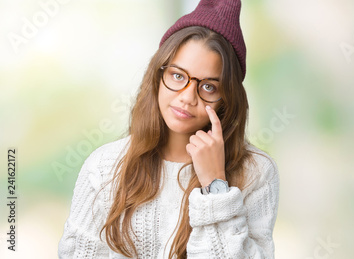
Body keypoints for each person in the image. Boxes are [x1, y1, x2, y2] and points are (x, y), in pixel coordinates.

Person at [57, 0, 280, 258]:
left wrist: (215, 185)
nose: (187, 97)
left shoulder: (257, 173)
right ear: (157, 74)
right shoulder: (104, 167)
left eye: (208, 86)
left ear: (227, 99)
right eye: (177, 75)